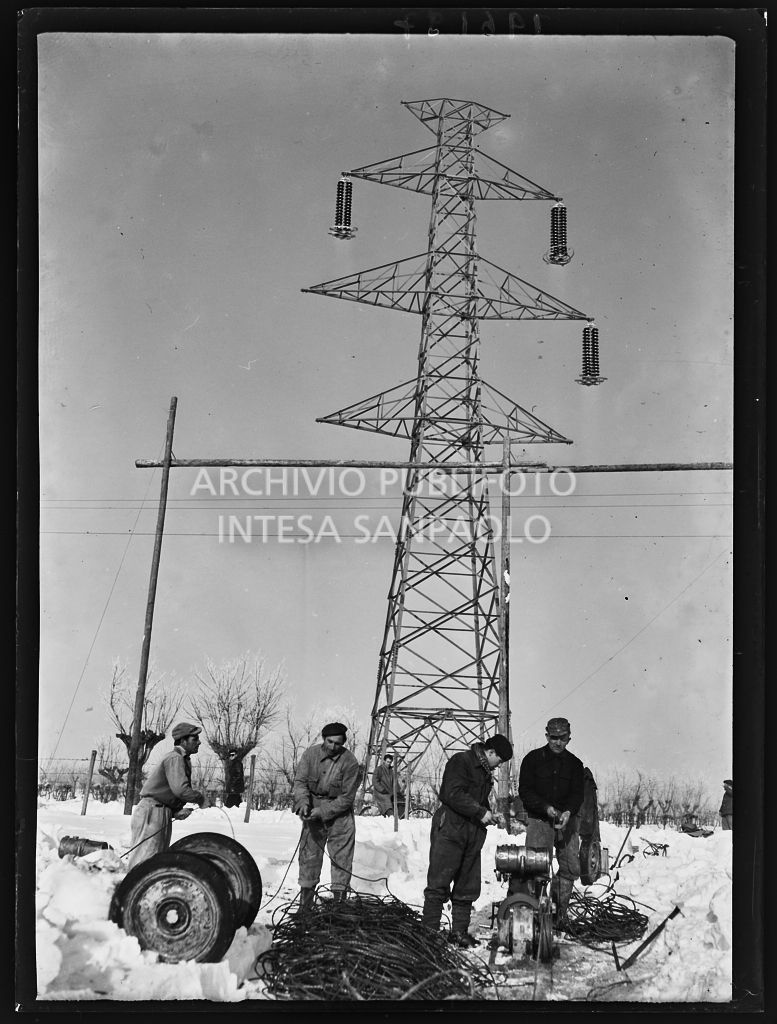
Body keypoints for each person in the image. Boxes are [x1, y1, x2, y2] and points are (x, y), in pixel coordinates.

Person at [421, 733, 514, 947]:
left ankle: (458, 932)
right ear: (490, 752)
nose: (498, 766)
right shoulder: (461, 762)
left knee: (466, 885)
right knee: (439, 883)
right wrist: (480, 812)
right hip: (451, 830)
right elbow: (451, 793)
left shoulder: (484, 771)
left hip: (472, 833)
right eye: (498, 761)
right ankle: (429, 934)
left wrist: (489, 813)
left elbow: (476, 801)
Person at [517, 717, 585, 928]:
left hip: (567, 822)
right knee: (535, 867)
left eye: (562, 738)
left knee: (570, 868)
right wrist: (545, 808)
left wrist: (567, 812)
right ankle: (536, 917)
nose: (557, 742)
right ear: (546, 736)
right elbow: (525, 791)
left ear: (569, 738)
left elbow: (577, 794)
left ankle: (557, 916)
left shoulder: (575, 765)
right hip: (539, 820)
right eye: (553, 737)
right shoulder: (532, 760)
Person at [292, 722, 362, 910]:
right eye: (329, 742)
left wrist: (323, 812)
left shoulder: (350, 762)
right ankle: (305, 907)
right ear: (323, 739)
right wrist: (303, 803)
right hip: (312, 809)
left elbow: (347, 798)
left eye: (337, 744)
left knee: (342, 859)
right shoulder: (310, 755)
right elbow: (299, 783)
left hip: (341, 816)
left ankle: (338, 908)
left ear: (343, 743)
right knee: (309, 856)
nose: (333, 747)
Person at [127, 722, 205, 870]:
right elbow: (180, 790)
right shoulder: (175, 758)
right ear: (183, 740)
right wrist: (200, 798)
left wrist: (175, 811)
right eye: (195, 739)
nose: (199, 742)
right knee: (144, 862)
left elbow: (171, 791)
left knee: (154, 861)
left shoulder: (182, 758)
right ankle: (131, 891)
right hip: (152, 812)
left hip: (160, 811)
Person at [372, 752, 406, 818]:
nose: (389, 763)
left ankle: (401, 816)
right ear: (384, 761)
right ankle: (390, 815)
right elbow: (375, 781)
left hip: (390, 792)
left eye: (390, 762)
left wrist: (399, 792)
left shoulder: (391, 771)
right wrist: (382, 789)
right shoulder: (379, 769)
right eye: (387, 762)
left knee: (400, 800)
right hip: (380, 793)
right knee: (387, 799)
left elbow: (395, 783)